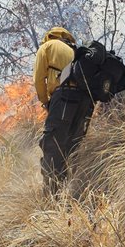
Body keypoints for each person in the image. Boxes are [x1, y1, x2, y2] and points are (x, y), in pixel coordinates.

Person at [34, 25, 93, 191]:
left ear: (49, 36)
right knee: (71, 146)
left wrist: (46, 102)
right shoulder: (76, 51)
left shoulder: (47, 46)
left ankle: (51, 194)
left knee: (52, 145)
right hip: (85, 102)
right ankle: (73, 188)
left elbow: (38, 80)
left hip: (64, 97)